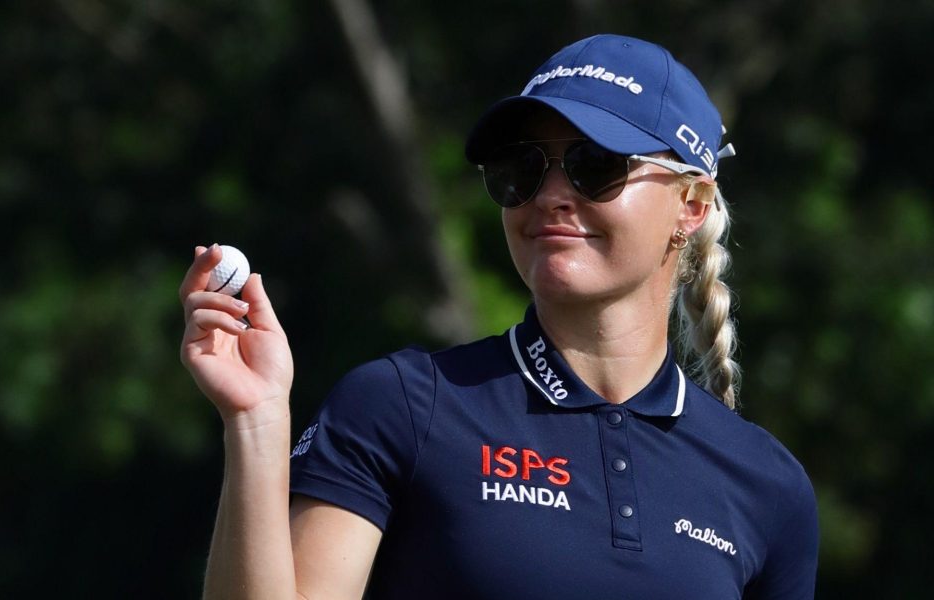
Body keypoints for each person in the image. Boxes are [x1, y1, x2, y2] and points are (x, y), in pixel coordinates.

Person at [180, 34, 819, 600]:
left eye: (596, 165)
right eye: (523, 169)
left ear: (692, 205)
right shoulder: (401, 407)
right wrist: (256, 423)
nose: (550, 195)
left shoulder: (770, 485)